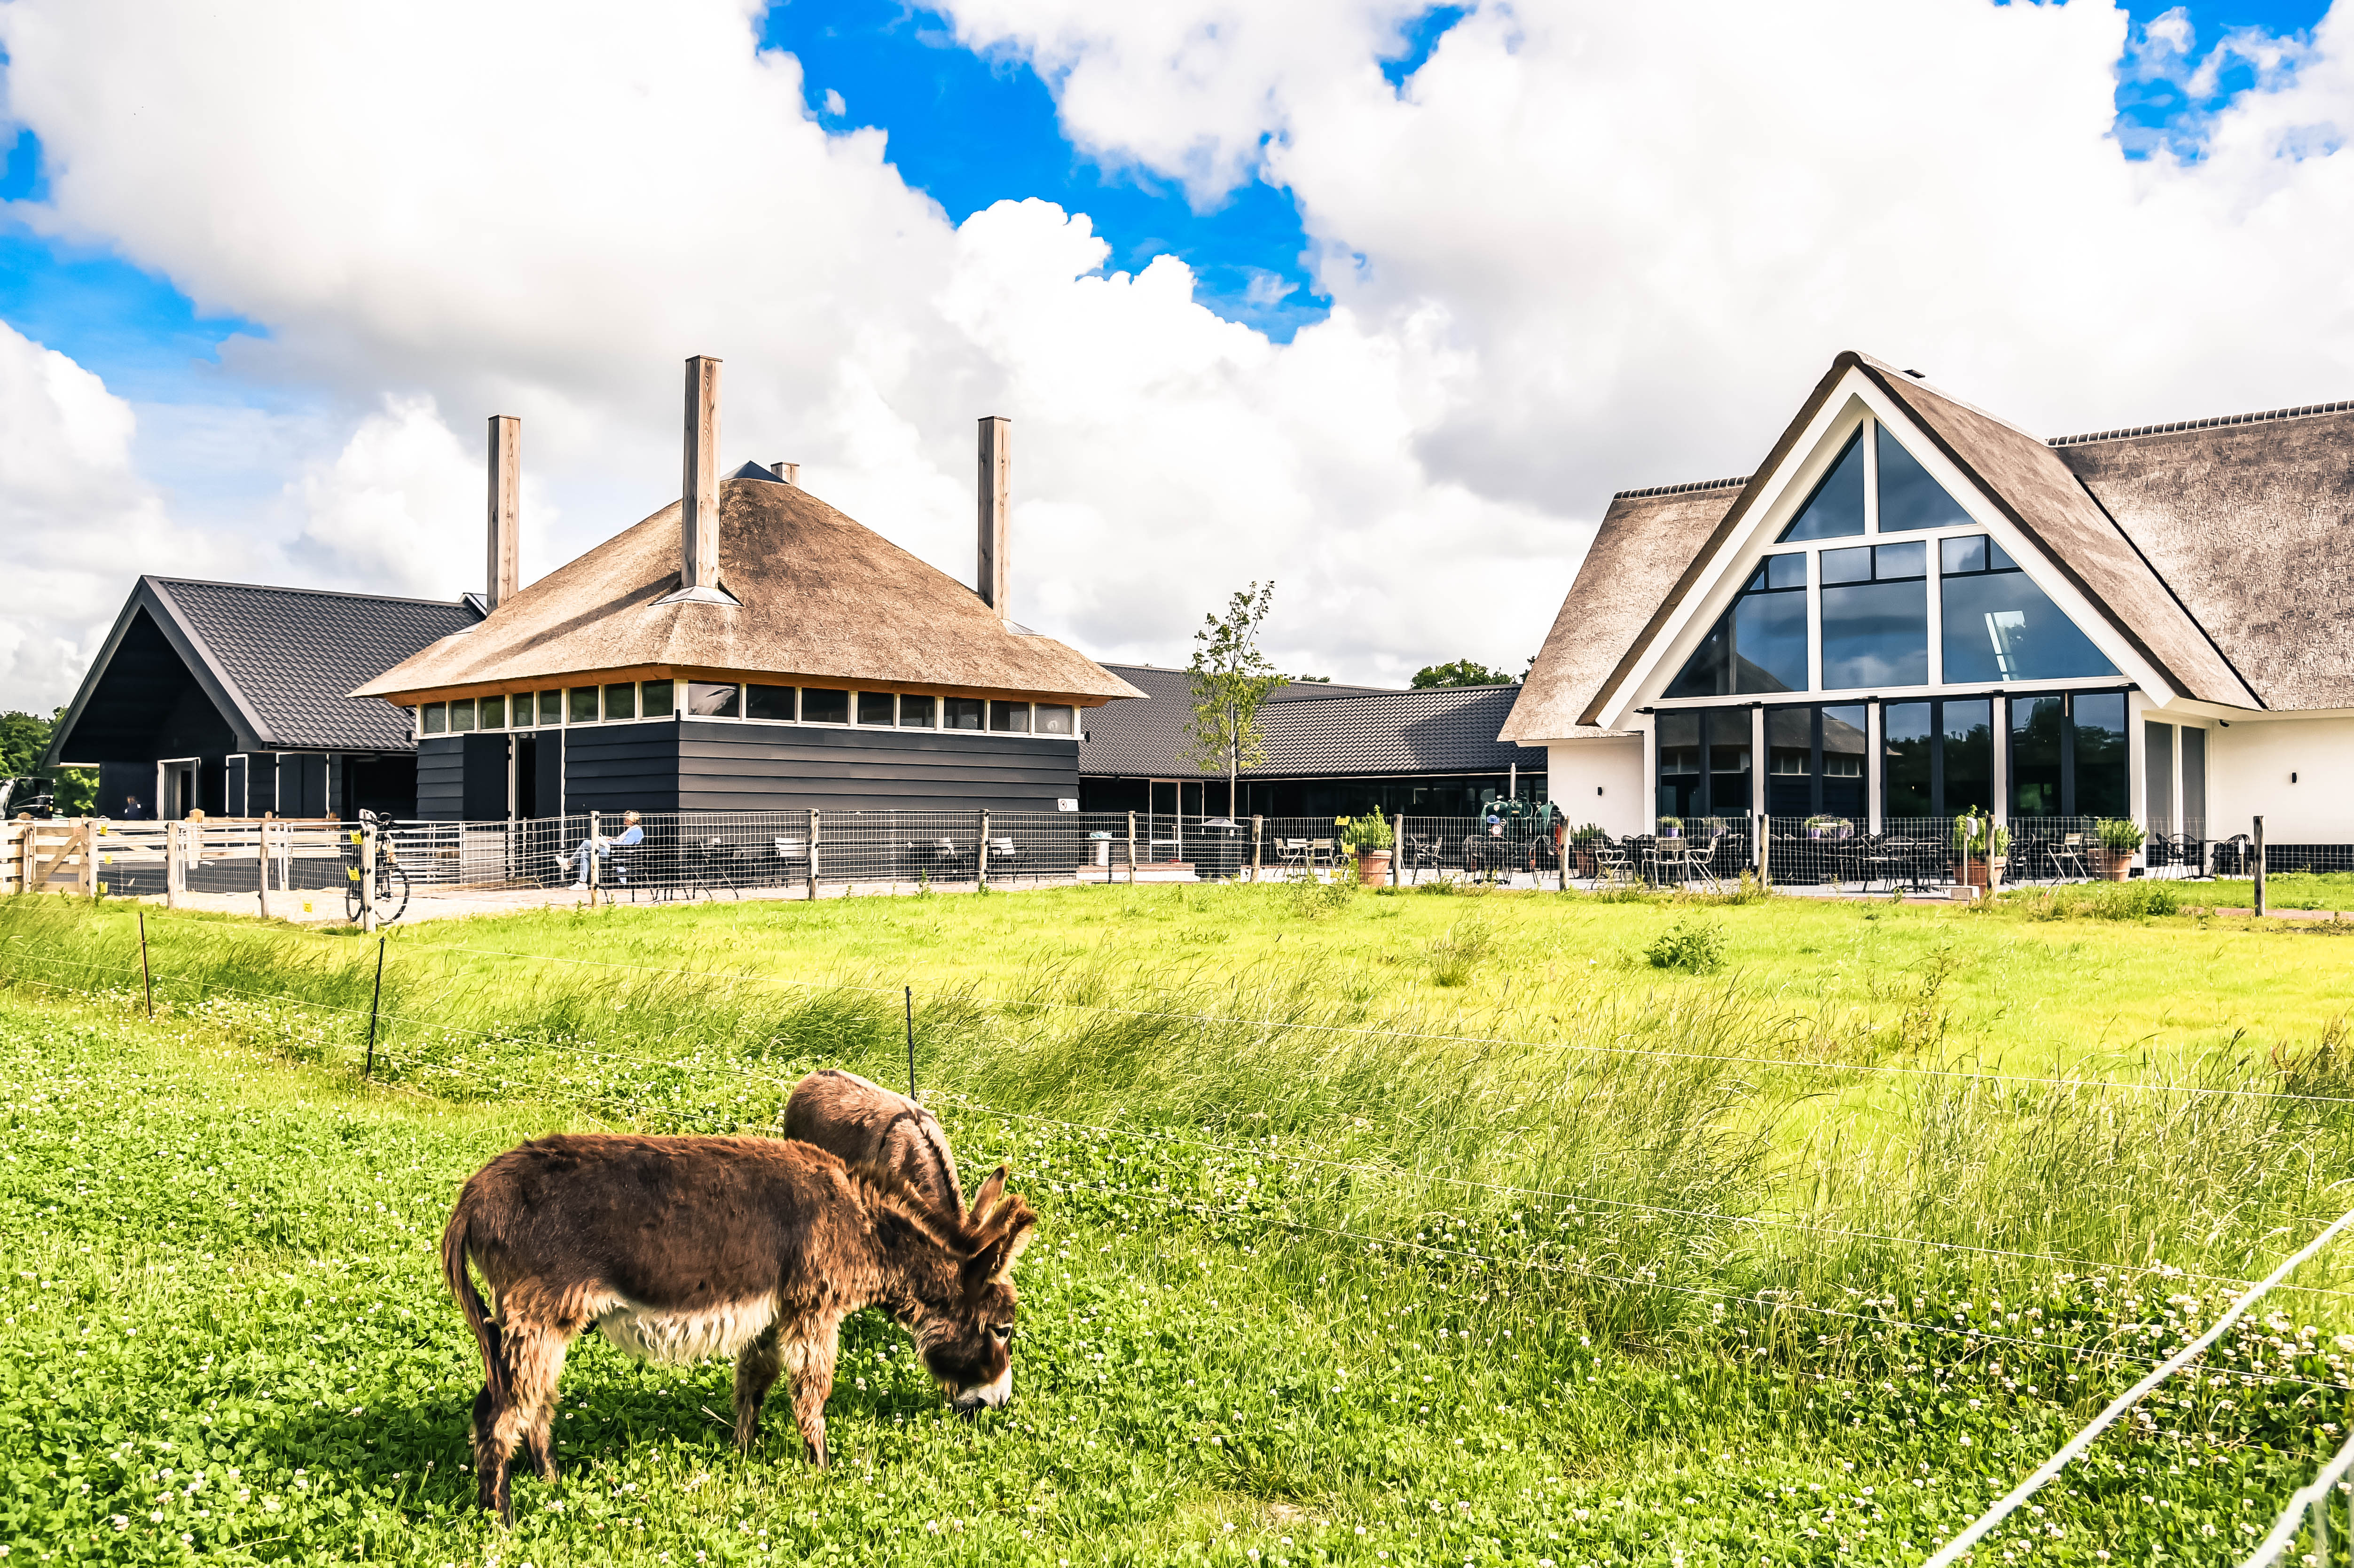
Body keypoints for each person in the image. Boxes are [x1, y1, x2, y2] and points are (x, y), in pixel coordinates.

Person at [564, 811, 643, 888]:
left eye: (626, 820)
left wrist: (609, 842)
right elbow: (624, 843)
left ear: (632, 820)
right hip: (617, 852)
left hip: (617, 854)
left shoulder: (635, 831)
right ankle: (582, 883)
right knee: (585, 853)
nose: (625, 822)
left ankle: (570, 863)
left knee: (586, 843)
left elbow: (625, 845)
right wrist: (612, 840)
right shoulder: (634, 830)